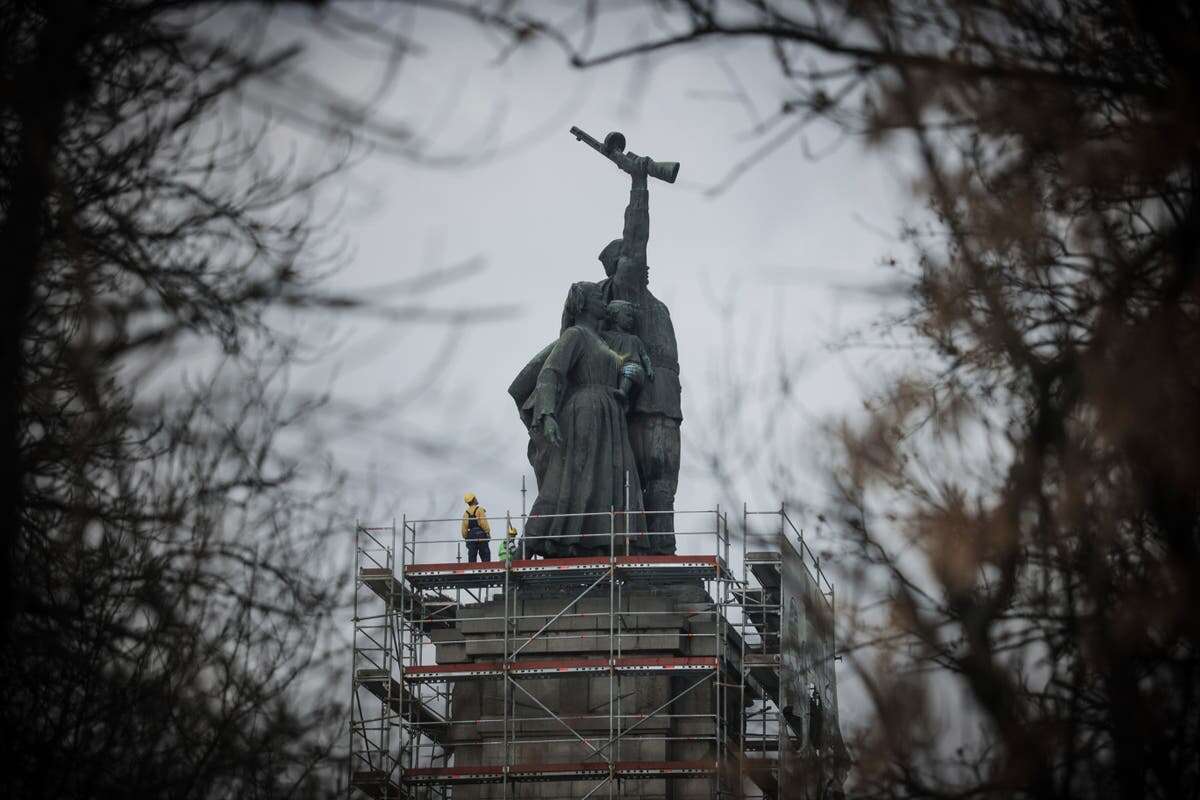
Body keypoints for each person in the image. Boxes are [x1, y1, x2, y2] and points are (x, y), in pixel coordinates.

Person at [517, 281, 647, 558]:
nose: (605, 300)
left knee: (611, 480)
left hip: (609, 416)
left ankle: (593, 542)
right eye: (599, 296)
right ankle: (528, 543)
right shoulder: (576, 335)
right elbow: (550, 373)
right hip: (584, 413)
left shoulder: (601, 340)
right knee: (567, 478)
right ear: (584, 304)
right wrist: (548, 414)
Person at [596, 157, 680, 552]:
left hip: (662, 406)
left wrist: (639, 182)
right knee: (639, 485)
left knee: (661, 485)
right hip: (642, 405)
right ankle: (648, 552)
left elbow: (634, 243)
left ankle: (661, 555)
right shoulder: (627, 297)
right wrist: (639, 185)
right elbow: (636, 240)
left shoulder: (652, 305)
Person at [601, 299, 654, 407]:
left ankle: (623, 391)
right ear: (615, 317)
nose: (631, 320)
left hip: (632, 366)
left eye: (633, 317)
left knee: (632, 370)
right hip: (612, 367)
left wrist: (648, 368)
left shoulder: (634, 339)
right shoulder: (605, 336)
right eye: (628, 316)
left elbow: (644, 356)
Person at [460, 492, 491, 562]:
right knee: (485, 554)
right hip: (481, 534)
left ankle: (471, 569)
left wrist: (466, 537)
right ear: (473, 500)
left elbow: (464, 529)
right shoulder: (479, 509)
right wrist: (487, 532)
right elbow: (483, 523)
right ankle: (487, 568)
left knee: (472, 555)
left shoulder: (466, 513)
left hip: (471, 535)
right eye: (475, 498)